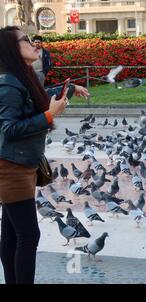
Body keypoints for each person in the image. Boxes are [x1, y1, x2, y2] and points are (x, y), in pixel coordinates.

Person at [0, 26, 89, 284]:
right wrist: (51, 116)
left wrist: (69, 90)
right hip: (12, 168)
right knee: (28, 235)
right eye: (25, 40)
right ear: (11, 48)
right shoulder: (7, 84)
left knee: (12, 233)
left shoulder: (20, 77)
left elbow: (35, 101)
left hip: (20, 164)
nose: (33, 43)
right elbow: (10, 129)